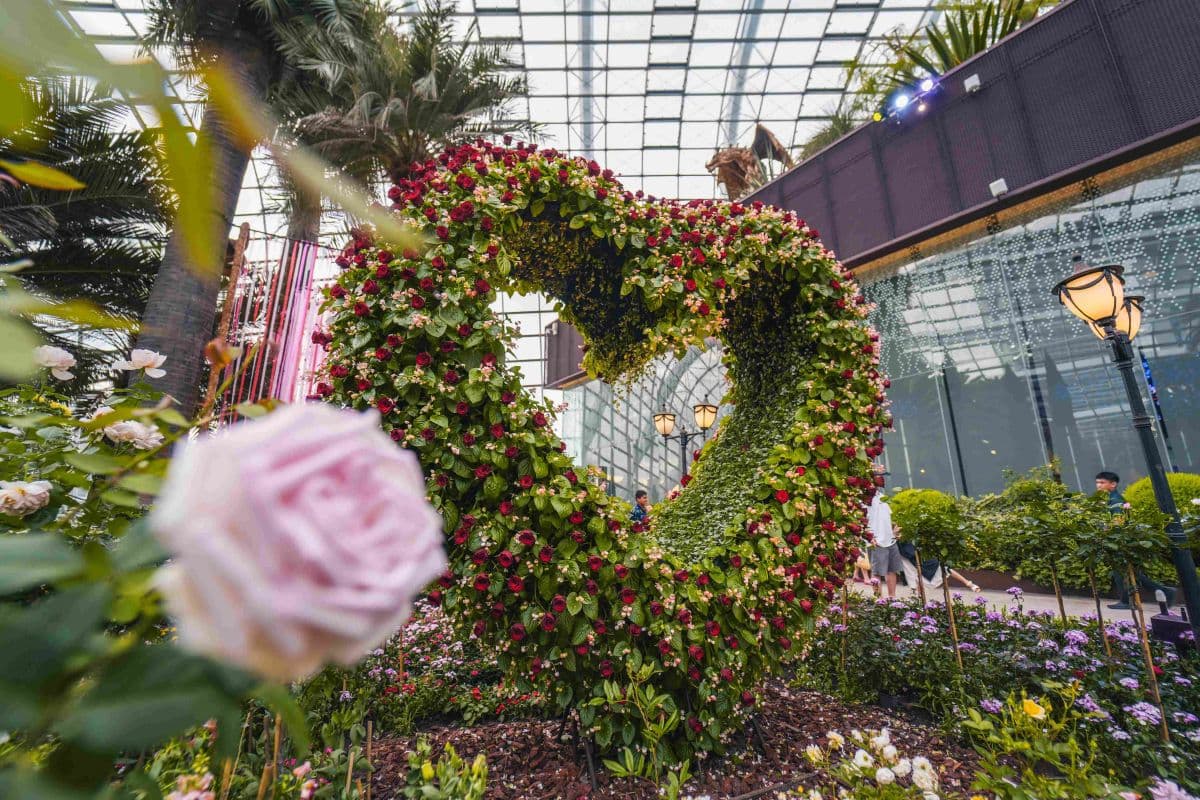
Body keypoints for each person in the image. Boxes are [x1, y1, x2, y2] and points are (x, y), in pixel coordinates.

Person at [1097, 470, 1174, 610]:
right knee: (1127, 573)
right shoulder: (1110, 499)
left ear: (1113, 484)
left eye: (1102, 482)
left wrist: (1104, 531)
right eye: (1097, 482)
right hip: (1118, 541)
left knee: (1124, 572)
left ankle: (1131, 600)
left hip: (1119, 541)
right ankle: (1130, 600)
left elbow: (1118, 522)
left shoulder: (1115, 500)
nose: (1098, 485)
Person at [897, 541, 981, 592]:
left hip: (920, 558)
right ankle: (920, 601)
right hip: (910, 562)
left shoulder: (906, 537)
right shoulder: (894, 540)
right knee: (918, 580)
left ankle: (969, 584)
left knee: (945, 568)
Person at [868, 488, 903, 599]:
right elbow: (862, 518)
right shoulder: (865, 498)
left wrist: (894, 531)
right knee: (876, 571)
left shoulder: (883, 496)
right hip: (876, 540)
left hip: (890, 539)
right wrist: (869, 536)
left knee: (892, 569)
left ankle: (892, 598)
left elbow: (886, 518)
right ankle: (879, 599)